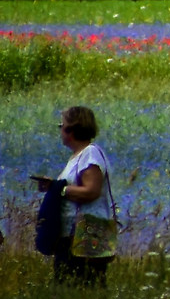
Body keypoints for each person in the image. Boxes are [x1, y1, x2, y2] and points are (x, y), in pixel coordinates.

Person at [29, 105, 117, 287]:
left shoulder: (90, 153)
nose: (60, 130)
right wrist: (53, 186)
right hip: (71, 235)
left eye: (62, 125)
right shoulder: (77, 157)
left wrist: (60, 189)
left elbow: (92, 191)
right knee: (66, 287)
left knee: (83, 287)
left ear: (71, 129)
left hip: (85, 234)